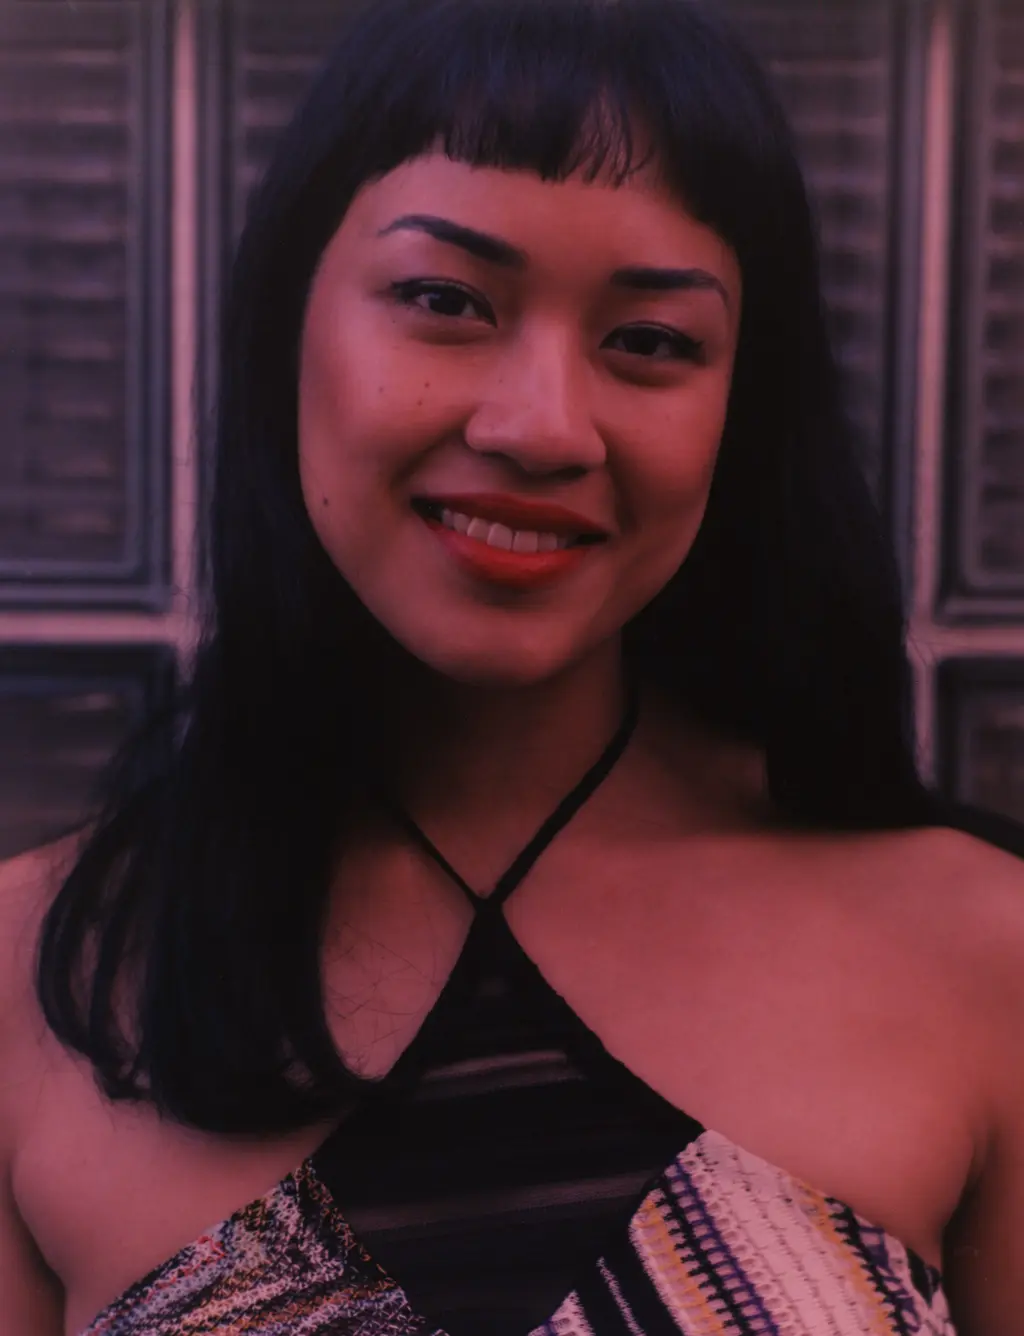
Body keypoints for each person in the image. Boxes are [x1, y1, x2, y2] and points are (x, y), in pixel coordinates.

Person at [2, 0, 1024, 1330]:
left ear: (742, 411)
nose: (543, 428)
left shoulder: (986, 956)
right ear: (286, 327)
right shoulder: (29, 981)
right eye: (445, 300)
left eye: (649, 340)